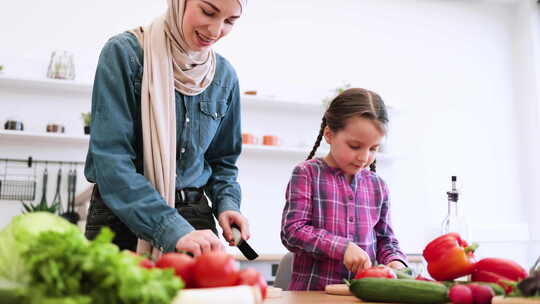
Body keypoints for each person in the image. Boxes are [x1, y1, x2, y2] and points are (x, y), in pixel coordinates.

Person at [84, 0, 250, 257]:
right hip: (122, 221)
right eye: (208, 11)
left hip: (196, 222)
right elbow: (111, 163)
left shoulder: (224, 76)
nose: (216, 31)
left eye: (230, 21)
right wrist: (171, 228)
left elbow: (223, 164)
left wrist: (228, 205)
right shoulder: (125, 53)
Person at [280, 88, 407, 290]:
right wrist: (342, 247)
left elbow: (385, 239)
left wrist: (395, 261)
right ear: (329, 134)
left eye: (373, 148)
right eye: (355, 146)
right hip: (312, 296)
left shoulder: (378, 186)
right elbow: (293, 231)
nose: (364, 157)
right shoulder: (306, 173)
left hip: (361, 296)